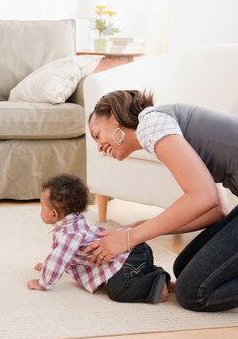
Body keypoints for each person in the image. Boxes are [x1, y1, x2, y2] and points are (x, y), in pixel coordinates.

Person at [85, 89, 238, 312]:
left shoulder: (150, 123)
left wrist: (129, 238)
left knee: (194, 293)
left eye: (97, 135)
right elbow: (216, 209)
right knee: (183, 266)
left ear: (114, 117)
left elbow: (203, 197)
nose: (98, 146)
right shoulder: (163, 127)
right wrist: (140, 227)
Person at [27, 173, 173, 304]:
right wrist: (47, 264)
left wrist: (43, 282)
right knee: (133, 271)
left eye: (42, 207)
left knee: (118, 289)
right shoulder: (77, 221)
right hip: (136, 251)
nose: (40, 210)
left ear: (54, 214)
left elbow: (59, 259)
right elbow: (59, 255)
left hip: (129, 256)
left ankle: (155, 283)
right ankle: (157, 277)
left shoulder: (70, 235)